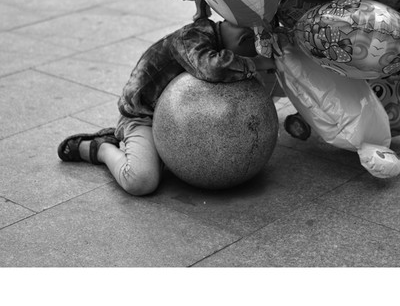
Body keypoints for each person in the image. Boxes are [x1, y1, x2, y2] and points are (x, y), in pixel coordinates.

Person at [57, 16, 270, 195]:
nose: (252, 56)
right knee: (140, 181)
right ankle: (100, 148)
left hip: (179, 124)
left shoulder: (212, 35)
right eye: (253, 50)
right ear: (244, 38)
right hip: (143, 117)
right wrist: (258, 63)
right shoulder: (190, 37)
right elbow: (212, 68)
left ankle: (159, 155)